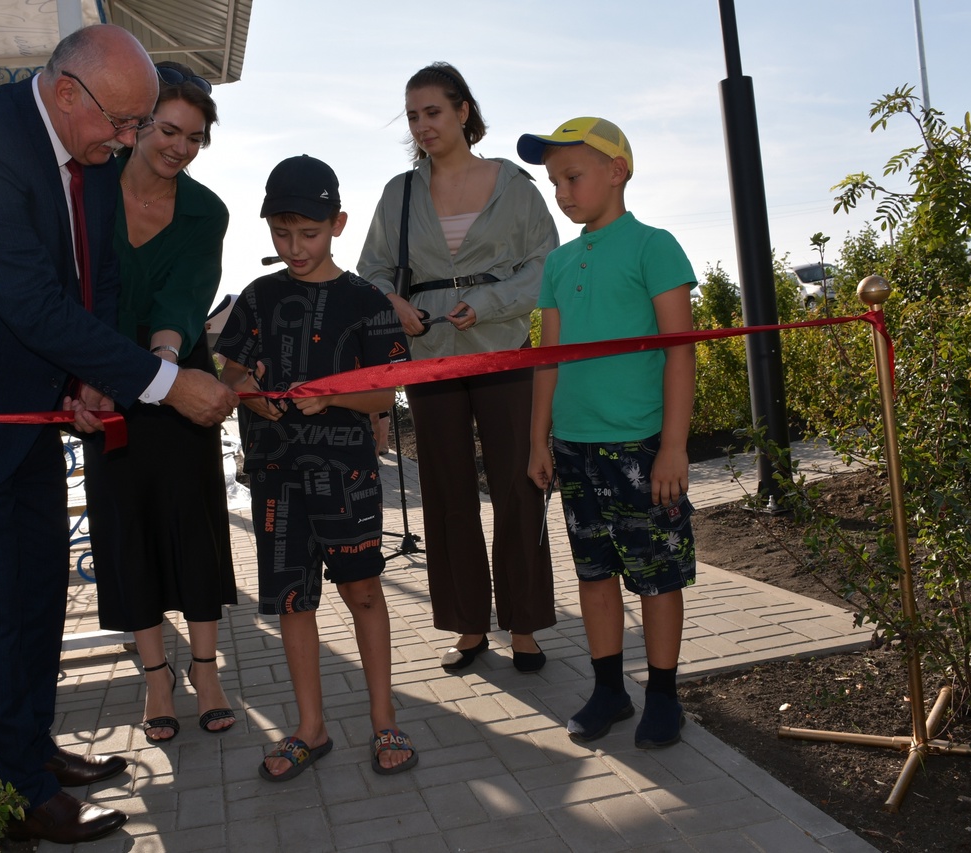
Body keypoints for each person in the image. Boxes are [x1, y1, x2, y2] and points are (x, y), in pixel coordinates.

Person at [0, 25, 238, 845]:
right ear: (70, 92)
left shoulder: (93, 153)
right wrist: (170, 386)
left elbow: (92, 283)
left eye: (143, 126)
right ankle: (16, 793)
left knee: (37, 591)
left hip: (31, 405)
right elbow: (32, 302)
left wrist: (89, 378)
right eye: (127, 122)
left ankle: (31, 751)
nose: (133, 140)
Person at [215, 155, 418, 781]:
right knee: (295, 604)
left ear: (338, 223)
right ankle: (311, 729)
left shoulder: (365, 302)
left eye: (308, 232)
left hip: (349, 477)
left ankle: (384, 719)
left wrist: (331, 396)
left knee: (363, 592)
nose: (294, 247)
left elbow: (386, 395)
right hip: (276, 479)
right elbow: (230, 374)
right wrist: (256, 388)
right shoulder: (257, 297)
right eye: (281, 233)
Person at [357, 62, 559, 674]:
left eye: (433, 112)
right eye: (413, 116)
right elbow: (370, 273)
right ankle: (468, 626)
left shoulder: (515, 185)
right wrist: (397, 306)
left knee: (519, 487)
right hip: (429, 360)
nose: (422, 125)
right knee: (446, 493)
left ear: (464, 111)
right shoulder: (400, 193)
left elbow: (545, 266)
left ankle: (524, 624)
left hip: (502, 349)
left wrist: (491, 302)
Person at [520, 117, 698, 749]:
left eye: (572, 177)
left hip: (641, 447)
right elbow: (548, 358)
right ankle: (608, 690)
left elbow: (682, 353)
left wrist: (673, 447)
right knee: (593, 575)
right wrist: (540, 440)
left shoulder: (655, 247)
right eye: (553, 182)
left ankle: (664, 696)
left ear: (618, 170)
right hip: (574, 447)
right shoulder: (559, 263)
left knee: (655, 576)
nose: (562, 192)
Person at [82, 60, 237, 745]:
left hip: (180, 385)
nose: (180, 146)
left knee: (191, 524)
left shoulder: (207, 211)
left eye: (195, 137)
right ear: (140, 126)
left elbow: (183, 298)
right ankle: (155, 677)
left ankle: (207, 670)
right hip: (102, 383)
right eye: (170, 130)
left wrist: (166, 369)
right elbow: (80, 293)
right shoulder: (86, 190)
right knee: (128, 529)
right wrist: (89, 374)